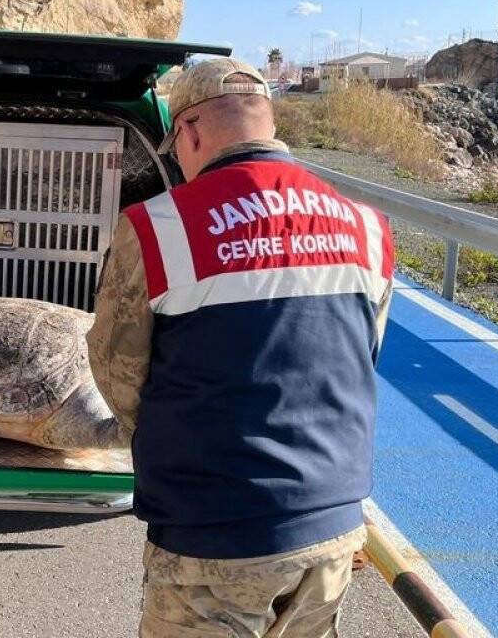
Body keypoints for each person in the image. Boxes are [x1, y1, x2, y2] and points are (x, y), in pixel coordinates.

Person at [87, 58, 394, 637]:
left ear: (190, 131)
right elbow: (365, 352)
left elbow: (116, 369)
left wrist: (160, 437)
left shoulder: (158, 227)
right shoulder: (367, 226)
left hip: (215, 532)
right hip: (333, 526)